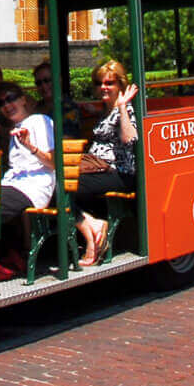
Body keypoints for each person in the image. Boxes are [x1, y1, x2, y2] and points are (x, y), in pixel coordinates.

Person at [74, 61, 139, 266]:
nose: (103, 87)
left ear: (120, 84)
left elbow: (130, 139)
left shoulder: (125, 109)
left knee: (65, 188)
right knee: (58, 184)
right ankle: (92, 226)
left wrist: (121, 107)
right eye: (99, 83)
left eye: (109, 83)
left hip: (119, 173)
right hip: (99, 170)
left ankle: (93, 231)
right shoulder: (105, 110)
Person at [0, 81, 55, 280]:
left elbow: (54, 163)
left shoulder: (39, 121)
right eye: (1, 102)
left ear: (23, 100)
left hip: (33, 187)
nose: (7, 105)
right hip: (12, 185)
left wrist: (31, 146)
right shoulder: (14, 129)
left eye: (10, 99)